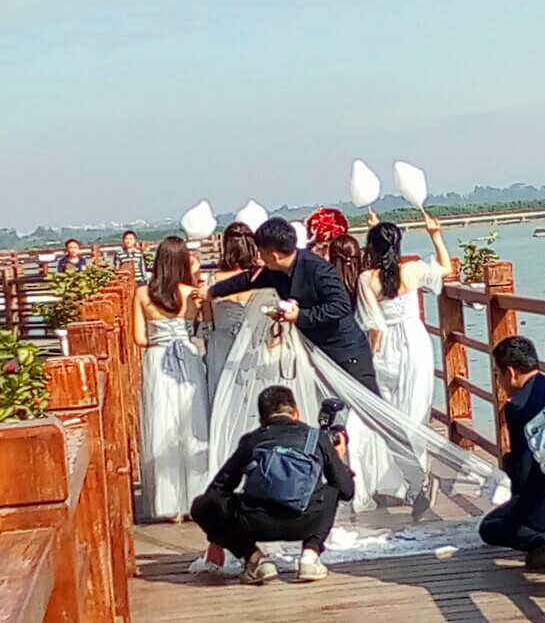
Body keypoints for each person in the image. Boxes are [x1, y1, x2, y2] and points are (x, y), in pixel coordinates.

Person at [190, 385, 355, 585]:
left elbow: (219, 489)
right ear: (296, 413)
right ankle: (310, 556)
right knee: (333, 489)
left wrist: (217, 538)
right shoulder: (317, 438)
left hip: (258, 523)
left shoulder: (252, 440)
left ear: (262, 419)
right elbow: (346, 491)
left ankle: (255, 559)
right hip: (306, 521)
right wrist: (339, 459)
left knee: (202, 505)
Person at [206, 217, 379, 395]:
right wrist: (213, 291)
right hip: (315, 353)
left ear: (274, 255)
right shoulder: (274, 271)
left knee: (367, 406)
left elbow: (340, 306)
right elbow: (247, 280)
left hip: (346, 352)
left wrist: (300, 316)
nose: (259, 257)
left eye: (261, 252)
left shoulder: (318, 269)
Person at [355, 213, 453, 504]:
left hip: (387, 346)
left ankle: (403, 481)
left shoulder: (366, 279)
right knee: (415, 412)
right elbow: (446, 268)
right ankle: (418, 481)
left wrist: (368, 357)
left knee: (388, 413)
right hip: (416, 343)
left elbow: (374, 326)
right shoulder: (412, 270)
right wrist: (435, 234)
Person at [479, 337, 545, 567]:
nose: (499, 381)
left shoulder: (517, 406)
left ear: (510, 373)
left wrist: (508, 467)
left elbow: (522, 471)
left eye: (497, 374)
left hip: (544, 506)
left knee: (489, 527)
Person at [133, 236, 211, 521]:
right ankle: (196, 498)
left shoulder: (142, 294)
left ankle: (169, 504)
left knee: (162, 425)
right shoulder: (192, 293)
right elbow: (203, 327)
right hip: (187, 357)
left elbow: (140, 338)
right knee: (192, 423)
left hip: (157, 359)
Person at [201, 222, 259, 407]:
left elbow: (207, 321)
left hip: (220, 344)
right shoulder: (260, 278)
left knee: (222, 399)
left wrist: (207, 347)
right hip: (252, 344)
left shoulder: (213, 279)